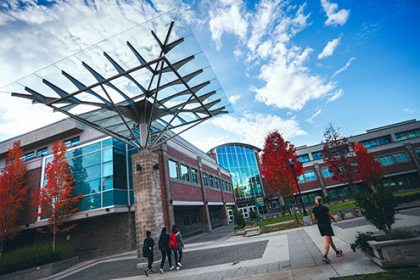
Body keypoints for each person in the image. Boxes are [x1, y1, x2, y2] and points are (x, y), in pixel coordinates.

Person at [312, 196, 343, 264]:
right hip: (326, 225)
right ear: (321, 201)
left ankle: (337, 252)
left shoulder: (314, 209)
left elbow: (314, 218)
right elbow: (330, 215)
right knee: (327, 241)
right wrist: (334, 220)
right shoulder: (324, 208)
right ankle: (325, 256)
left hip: (320, 226)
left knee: (330, 239)